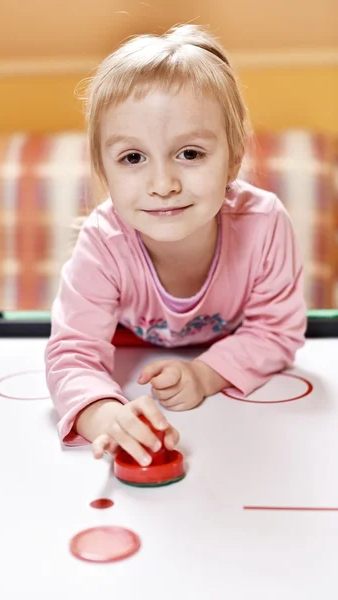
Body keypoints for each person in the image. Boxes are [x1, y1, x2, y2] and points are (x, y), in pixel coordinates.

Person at [44, 24, 307, 468]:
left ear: (234, 158)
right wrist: (102, 413)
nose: (163, 184)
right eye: (133, 158)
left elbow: (276, 331)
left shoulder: (263, 224)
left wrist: (205, 374)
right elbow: (72, 353)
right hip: (133, 354)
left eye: (190, 154)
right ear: (104, 170)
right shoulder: (103, 242)